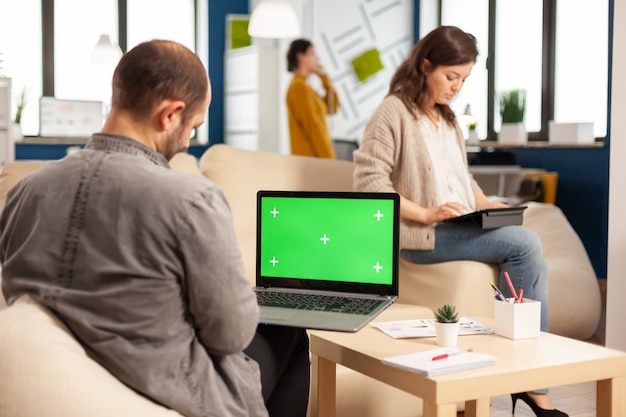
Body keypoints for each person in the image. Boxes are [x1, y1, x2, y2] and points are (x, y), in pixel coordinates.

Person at [0, 40, 309, 417]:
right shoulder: (191, 199)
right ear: (170, 114)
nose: (188, 140)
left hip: (65, 376)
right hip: (170, 387)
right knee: (290, 330)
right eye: (192, 127)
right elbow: (230, 334)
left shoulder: (24, 192)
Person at [353, 26, 567, 417]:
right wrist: (426, 212)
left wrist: (491, 204)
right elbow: (370, 185)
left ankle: (528, 378)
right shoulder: (393, 112)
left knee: (526, 239)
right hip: (420, 234)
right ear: (425, 66)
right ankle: (531, 380)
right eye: (451, 77)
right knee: (525, 246)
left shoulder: (448, 120)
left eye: (463, 80)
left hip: (456, 226)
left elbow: (461, 180)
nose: (456, 88)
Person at [286, 38, 339, 158]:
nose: (317, 58)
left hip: (315, 161)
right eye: (313, 53)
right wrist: (331, 163)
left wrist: (324, 77)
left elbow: (333, 108)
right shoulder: (298, 88)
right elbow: (315, 130)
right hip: (311, 163)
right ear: (301, 57)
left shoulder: (307, 89)